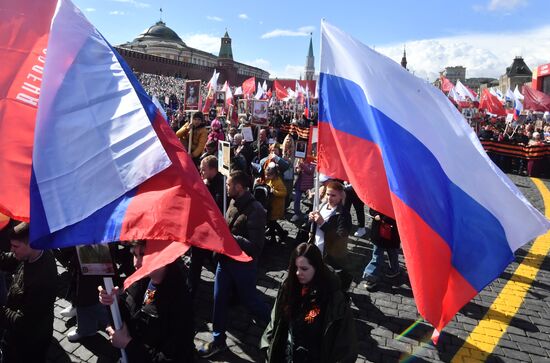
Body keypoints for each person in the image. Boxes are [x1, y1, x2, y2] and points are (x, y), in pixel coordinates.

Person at [199, 171, 270, 358]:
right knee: (219, 299)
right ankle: (218, 340)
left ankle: (278, 323)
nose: (226, 187)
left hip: (243, 266)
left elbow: (255, 247)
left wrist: (231, 238)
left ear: (239, 187)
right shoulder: (231, 201)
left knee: (251, 302)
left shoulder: (256, 211)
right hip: (225, 261)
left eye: (229, 184)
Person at [99, 241, 196, 362]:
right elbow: (130, 317)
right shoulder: (140, 281)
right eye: (134, 254)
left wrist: (128, 344)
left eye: (144, 254)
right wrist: (114, 303)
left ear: (163, 254)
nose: (136, 263)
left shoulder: (179, 302)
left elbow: (170, 357)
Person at [261, 243, 357, 362]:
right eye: (295, 268)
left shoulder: (334, 299)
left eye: (304, 269)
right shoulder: (289, 286)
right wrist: (268, 348)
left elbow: (346, 348)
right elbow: (274, 322)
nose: (297, 273)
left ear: (316, 268)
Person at [0, 222, 58, 362]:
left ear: (31, 244)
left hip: (28, 343)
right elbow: (10, 259)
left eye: (15, 246)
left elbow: (23, 323)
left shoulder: (42, 279)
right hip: (19, 336)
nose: (12, 250)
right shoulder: (32, 253)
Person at [187, 156, 225, 297]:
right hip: (203, 229)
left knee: (201, 261)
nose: (201, 172)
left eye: (204, 169)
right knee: (200, 261)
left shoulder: (221, 184)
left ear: (213, 170)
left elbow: (216, 208)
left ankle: (191, 291)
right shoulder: (207, 181)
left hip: (210, 231)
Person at [308, 181, 353, 290]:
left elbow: (340, 238)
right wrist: (311, 219)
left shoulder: (343, 215)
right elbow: (315, 226)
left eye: (333, 195)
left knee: (328, 281)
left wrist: (322, 223)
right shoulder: (322, 206)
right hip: (316, 247)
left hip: (330, 254)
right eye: (328, 194)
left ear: (341, 196)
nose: (329, 198)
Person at [362, 209, 401, 291]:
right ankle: (371, 277)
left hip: (393, 233)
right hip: (379, 233)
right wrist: (376, 214)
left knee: (393, 253)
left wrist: (387, 218)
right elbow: (372, 206)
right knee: (377, 255)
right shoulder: (380, 197)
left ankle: (395, 269)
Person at [265, 164, 289, 244]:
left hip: (276, 207)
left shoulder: (279, 182)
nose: (267, 177)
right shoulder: (270, 180)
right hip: (271, 205)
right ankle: (277, 233)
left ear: (274, 174)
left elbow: (284, 193)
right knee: (271, 222)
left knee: (272, 222)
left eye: (268, 175)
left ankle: (278, 235)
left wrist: (274, 192)